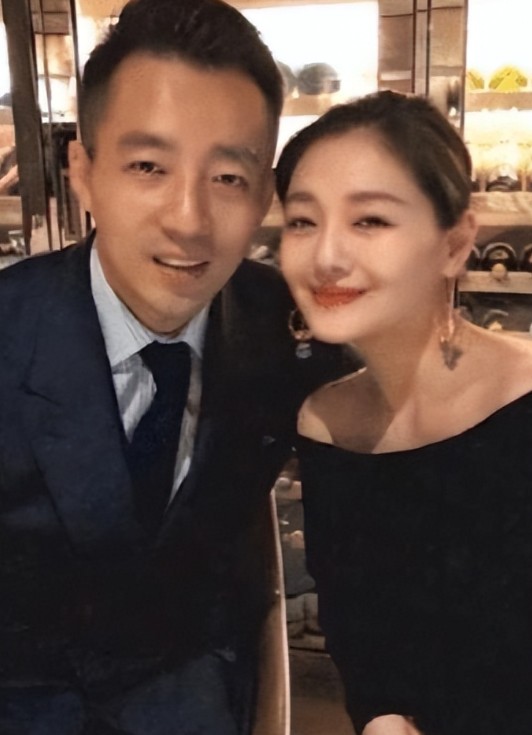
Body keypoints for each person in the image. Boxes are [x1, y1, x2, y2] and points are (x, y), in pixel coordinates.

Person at [0, 1, 351, 733]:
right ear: (83, 174)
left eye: (227, 177)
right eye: (149, 167)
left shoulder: (285, 326)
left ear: (264, 196)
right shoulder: (11, 331)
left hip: (192, 698)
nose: (189, 220)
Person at [276, 90, 532, 735]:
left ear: (456, 243)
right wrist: (383, 718)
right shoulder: (327, 423)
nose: (326, 255)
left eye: (369, 220)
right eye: (302, 221)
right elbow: (363, 645)